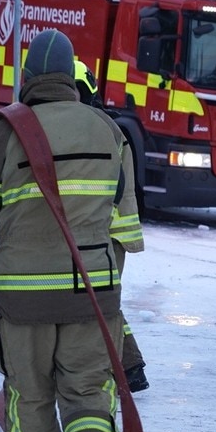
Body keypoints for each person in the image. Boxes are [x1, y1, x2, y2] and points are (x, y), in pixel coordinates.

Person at [0, 30, 143, 432]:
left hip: (24, 299)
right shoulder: (110, 132)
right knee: (86, 393)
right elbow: (123, 222)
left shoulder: (7, 130)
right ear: (72, 77)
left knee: (30, 396)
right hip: (91, 295)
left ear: (30, 78)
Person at [74, 59, 149, 392]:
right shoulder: (104, 127)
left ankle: (129, 368)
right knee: (99, 300)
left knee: (95, 302)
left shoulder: (96, 131)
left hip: (104, 233)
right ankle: (130, 368)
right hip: (110, 233)